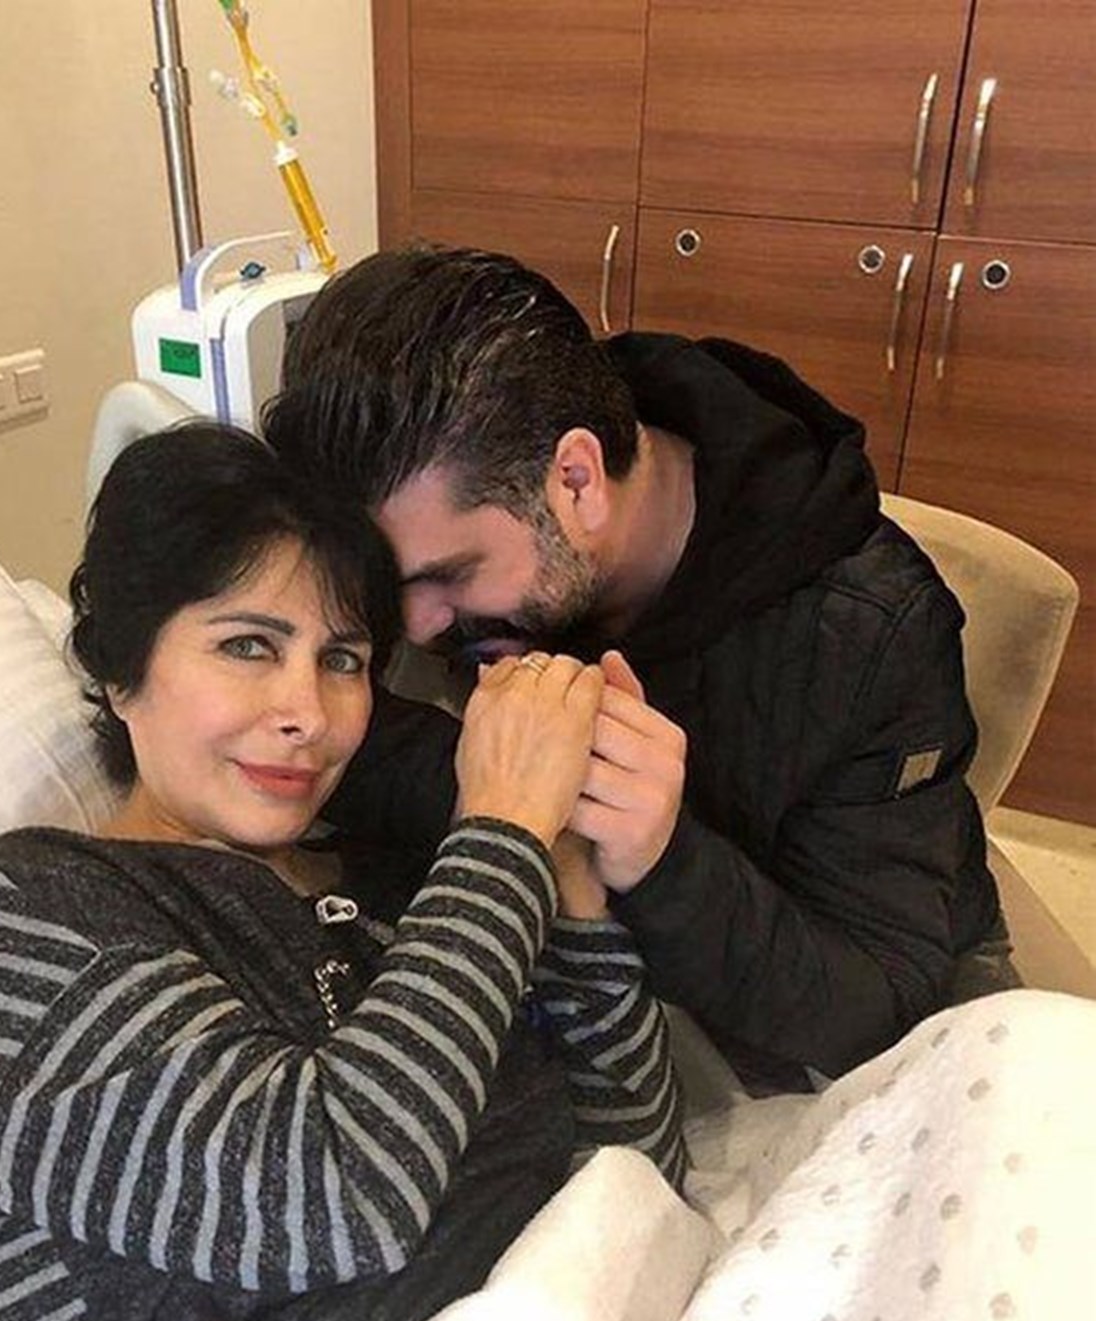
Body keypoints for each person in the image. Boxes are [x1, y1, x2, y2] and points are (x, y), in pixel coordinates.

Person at [0, 423, 686, 1321]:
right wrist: (504, 829)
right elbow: (333, 1197)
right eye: (246, 645)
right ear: (123, 670)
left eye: (342, 659)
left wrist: (567, 881)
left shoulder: (389, 896)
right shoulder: (27, 912)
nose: (308, 715)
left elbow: (636, 1171)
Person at [262, 245, 1016, 1095]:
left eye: (450, 575)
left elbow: (878, 1005)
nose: (414, 627)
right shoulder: (462, 481)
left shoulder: (867, 633)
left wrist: (662, 856)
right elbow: (316, 726)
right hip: (597, 987)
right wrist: (519, 786)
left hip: (837, 994)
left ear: (577, 480)